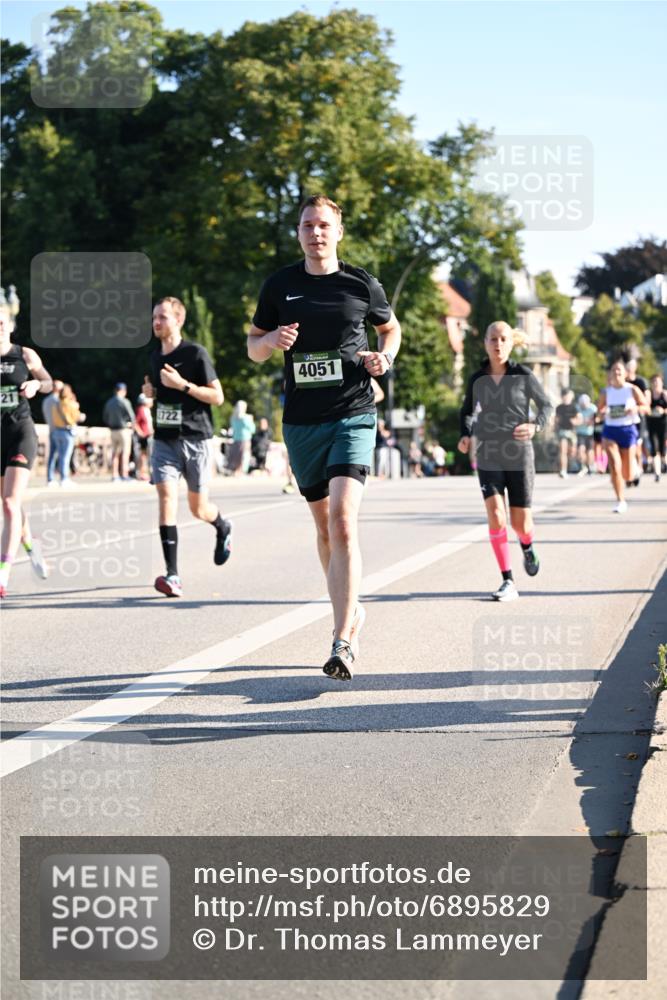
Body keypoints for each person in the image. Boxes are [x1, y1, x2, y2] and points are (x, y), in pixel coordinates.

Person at [248, 193, 401, 679]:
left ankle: (342, 640)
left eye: (324, 225)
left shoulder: (361, 283)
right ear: (298, 232)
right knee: (323, 527)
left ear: (338, 232)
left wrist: (385, 358)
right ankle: (351, 607)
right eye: (307, 225)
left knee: (342, 519)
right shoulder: (279, 285)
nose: (316, 232)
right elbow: (253, 347)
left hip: (354, 412)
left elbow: (390, 330)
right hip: (301, 422)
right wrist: (270, 342)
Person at [142, 296, 231, 598]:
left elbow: (217, 397)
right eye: (154, 317)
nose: (156, 322)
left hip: (196, 439)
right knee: (166, 497)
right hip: (164, 439)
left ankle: (222, 526)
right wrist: (151, 392)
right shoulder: (154, 357)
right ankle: (173, 575)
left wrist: (182, 384)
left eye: (163, 317)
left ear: (178, 320)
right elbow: (160, 396)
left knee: (198, 509)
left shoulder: (195, 353)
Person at [458, 321, 552, 602]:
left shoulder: (523, 374)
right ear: (485, 343)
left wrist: (536, 425)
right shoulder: (477, 378)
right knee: (497, 515)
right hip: (488, 452)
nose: (497, 344)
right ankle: (507, 580)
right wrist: (466, 434)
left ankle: (527, 545)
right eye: (493, 339)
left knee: (520, 523)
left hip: (519, 453)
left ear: (511, 344)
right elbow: (466, 411)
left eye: (503, 339)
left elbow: (546, 405)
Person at [0, 304, 53, 597]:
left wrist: (35, 384)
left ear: (9, 326)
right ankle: (31, 546)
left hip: (20, 432)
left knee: (9, 502)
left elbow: (49, 382)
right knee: (13, 503)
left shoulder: (25, 354)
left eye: (0, 323)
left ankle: (2, 577)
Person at [597, 358, 648, 513]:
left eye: (619, 370)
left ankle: (634, 470)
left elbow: (646, 407)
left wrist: (636, 409)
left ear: (625, 374)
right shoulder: (606, 392)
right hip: (610, 430)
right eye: (614, 370)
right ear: (611, 374)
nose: (617, 372)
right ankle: (620, 500)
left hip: (628, 430)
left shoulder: (632, 389)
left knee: (627, 474)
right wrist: (603, 412)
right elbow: (599, 411)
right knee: (614, 466)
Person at [50, 383, 84, 488]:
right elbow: (77, 417)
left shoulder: (56, 404)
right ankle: (64, 478)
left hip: (56, 431)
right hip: (67, 432)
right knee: (66, 457)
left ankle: (61, 477)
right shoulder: (70, 404)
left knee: (60, 456)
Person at [624, 354, 650, 485]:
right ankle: (629, 473)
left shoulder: (640, 383)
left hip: (638, 419)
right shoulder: (621, 383)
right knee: (626, 448)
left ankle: (638, 470)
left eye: (630, 367)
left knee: (637, 447)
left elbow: (647, 402)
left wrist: (636, 408)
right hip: (623, 420)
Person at [103, 382, 135, 482]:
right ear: (123, 391)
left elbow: (105, 417)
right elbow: (132, 416)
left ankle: (114, 474)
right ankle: (124, 474)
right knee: (125, 453)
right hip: (123, 430)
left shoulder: (109, 402)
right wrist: (131, 426)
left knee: (115, 453)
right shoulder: (125, 401)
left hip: (113, 430)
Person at [42, 378, 64, 486]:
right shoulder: (58, 401)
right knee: (62, 455)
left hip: (51, 429)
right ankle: (63, 477)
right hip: (59, 429)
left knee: (52, 455)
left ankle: (50, 478)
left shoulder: (46, 400)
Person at [554, 387, 581, 477]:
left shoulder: (574, 407)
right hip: (562, 431)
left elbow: (579, 419)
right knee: (563, 450)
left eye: (567, 395)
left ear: (571, 396)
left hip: (572, 431)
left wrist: (575, 421)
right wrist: (554, 424)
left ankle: (576, 465)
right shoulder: (559, 408)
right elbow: (556, 419)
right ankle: (563, 470)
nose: (566, 397)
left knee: (572, 452)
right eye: (564, 395)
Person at [646, 373, 667, 483]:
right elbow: (645, 407)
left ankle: (664, 462)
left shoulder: (664, 394)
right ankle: (657, 473)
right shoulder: (648, 394)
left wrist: (663, 410)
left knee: (663, 450)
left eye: (657, 381)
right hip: (652, 424)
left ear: (661, 382)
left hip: (663, 425)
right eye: (653, 381)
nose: (655, 384)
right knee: (654, 448)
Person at [229, 401, 256, 475]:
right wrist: (251, 421)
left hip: (237, 439)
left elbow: (233, 428)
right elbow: (253, 429)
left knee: (237, 456)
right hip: (245, 440)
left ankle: (237, 470)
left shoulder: (233, 418)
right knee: (243, 456)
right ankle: (241, 471)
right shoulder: (246, 418)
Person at [134, 392, 154, 481]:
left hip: (149, 435)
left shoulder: (147, 410)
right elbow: (135, 423)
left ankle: (146, 472)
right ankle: (142, 473)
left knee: (146, 454)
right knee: (143, 455)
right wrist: (140, 432)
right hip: (144, 436)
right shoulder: (141, 409)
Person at [576, 392, 597, 475]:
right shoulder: (577, 408)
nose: (583, 406)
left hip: (590, 433)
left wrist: (590, 421)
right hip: (580, 432)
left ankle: (590, 466)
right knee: (581, 450)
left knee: (590, 451)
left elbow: (596, 419)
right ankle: (583, 466)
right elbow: (576, 419)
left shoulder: (593, 408)